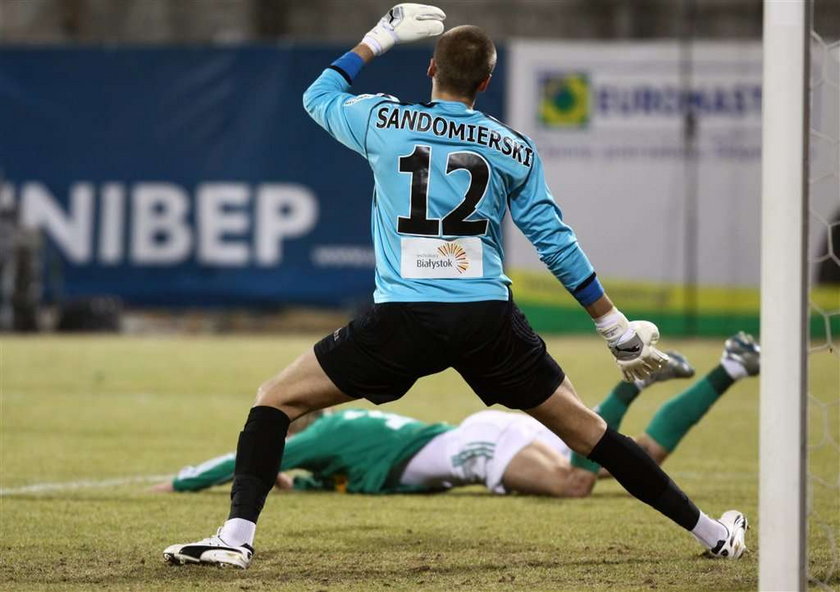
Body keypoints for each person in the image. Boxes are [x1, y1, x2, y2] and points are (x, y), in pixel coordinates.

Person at [163, 5, 747, 569]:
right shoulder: (514, 148)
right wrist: (614, 327)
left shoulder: (384, 122)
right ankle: (715, 534)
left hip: (404, 316)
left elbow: (317, 95)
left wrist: (380, 35)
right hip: (486, 317)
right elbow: (555, 242)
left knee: (275, 400)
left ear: (431, 70)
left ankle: (236, 539)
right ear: (487, 81)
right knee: (590, 434)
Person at [153, 334, 758, 500]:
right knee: (629, 461)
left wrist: (182, 479)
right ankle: (728, 369)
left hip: (478, 449)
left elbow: (245, 458)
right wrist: (299, 480)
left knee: (576, 481)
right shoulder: (335, 442)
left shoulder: (322, 432)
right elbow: (312, 473)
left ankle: (637, 386)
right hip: (483, 434)